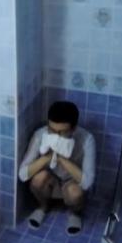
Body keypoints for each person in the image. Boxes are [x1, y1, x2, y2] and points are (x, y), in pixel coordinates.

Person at [18, 101, 96, 235]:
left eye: (61, 133)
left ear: (73, 129)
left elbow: (88, 182)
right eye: (52, 130)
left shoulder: (87, 139)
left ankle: (75, 213)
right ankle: (43, 207)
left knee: (75, 193)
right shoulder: (40, 134)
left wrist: (61, 158)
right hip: (51, 182)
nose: (55, 136)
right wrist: (46, 158)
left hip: (72, 183)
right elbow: (22, 174)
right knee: (38, 179)